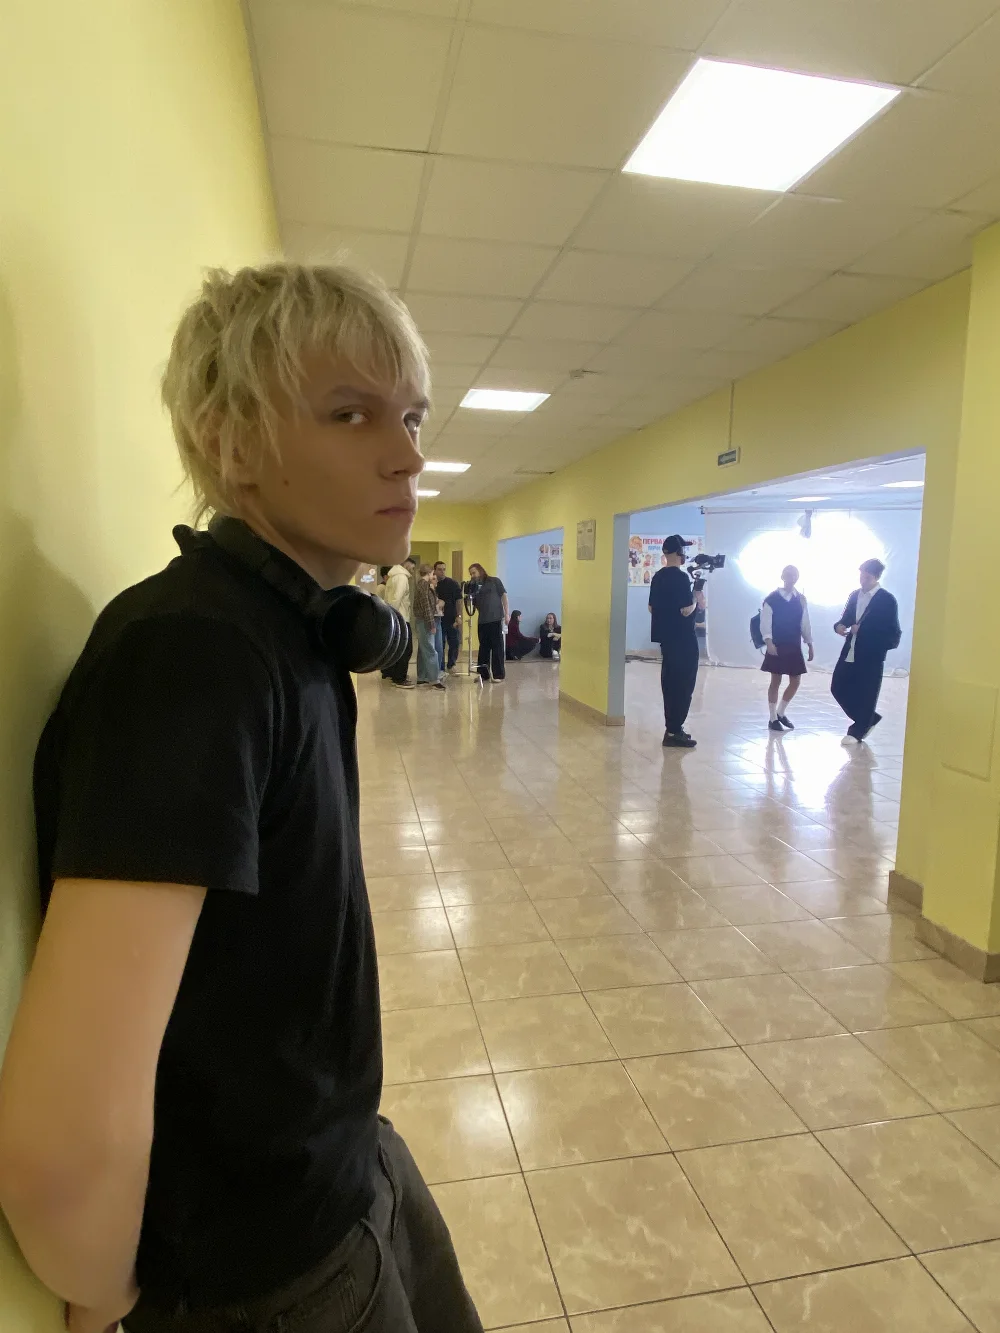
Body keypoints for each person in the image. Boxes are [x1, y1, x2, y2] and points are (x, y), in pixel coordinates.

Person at [0, 262, 484, 1333]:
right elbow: (61, 1133)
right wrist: (106, 1293)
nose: (408, 454)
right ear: (230, 442)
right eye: (350, 413)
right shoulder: (194, 658)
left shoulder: (298, 634)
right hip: (272, 1272)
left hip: (352, 1166)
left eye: (410, 416)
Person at [832, 557, 902, 741]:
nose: (862, 580)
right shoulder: (855, 595)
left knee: (867, 692)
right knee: (837, 686)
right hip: (851, 650)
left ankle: (858, 730)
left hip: (872, 655)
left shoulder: (887, 600)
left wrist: (863, 631)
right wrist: (839, 626)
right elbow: (847, 617)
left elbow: (892, 633)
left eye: (867, 577)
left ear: (876, 577)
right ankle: (868, 719)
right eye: (861, 575)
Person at [648, 535, 704, 748]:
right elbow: (686, 610)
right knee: (684, 684)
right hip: (683, 640)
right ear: (678, 552)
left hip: (667, 640)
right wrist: (696, 595)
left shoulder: (658, 577)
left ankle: (672, 728)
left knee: (670, 683)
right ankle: (674, 730)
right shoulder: (680, 578)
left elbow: (651, 608)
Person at [760, 564, 815, 731]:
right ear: (783, 576)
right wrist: (769, 642)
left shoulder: (801, 599)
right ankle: (772, 718)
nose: (791, 578)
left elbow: (805, 622)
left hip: (793, 644)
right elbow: (765, 622)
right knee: (775, 680)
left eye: (794, 575)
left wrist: (809, 644)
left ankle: (781, 712)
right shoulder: (772, 599)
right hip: (777, 643)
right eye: (788, 574)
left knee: (795, 681)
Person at [468, 562, 508, 683]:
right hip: (482, 621)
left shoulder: (494, 581)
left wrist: (507, 613)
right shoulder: (474, 586)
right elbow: (472, 603)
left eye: (474, 573)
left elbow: (504, 596)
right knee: (483, 649)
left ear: (480, 570)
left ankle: (498, 675)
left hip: (495, 619)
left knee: (497, 647)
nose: (472, 575)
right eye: (471, 574)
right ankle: (483, 674)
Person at [382, 554, 416, 687]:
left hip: (395, 616)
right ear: (406, 564)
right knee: (406, 649)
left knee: (397, 649)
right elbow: (397, 598)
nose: (412, 571)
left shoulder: (392, 577)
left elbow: (388, 598)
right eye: (412, 567)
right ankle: (400, 678)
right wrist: (395, 616)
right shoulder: (402, 578)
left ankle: (395, 674)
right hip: (401, 617)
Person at [414, 564, 446, 689]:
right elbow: (426, 606)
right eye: (433, 574)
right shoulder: (424, 586)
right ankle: (434, 679)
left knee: (424, 649)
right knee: (430, 650)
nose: (434, 576)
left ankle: (422, 677)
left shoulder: (422, 585)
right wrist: (431, 624)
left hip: (423, 620)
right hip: (425, 621)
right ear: (429, 573)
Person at [432, 560, 462, 672]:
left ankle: (451, 664)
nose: (442, 572)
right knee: (440, 644)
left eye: (444, 569)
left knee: (454, 642)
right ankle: (440, 667)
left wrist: (459, 615)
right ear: (435, 570)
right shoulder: (433, 585)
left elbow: (459, 600)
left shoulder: (452, 583)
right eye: (439, 569)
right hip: (437, 619)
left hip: (451, 618)